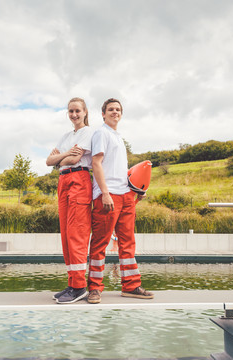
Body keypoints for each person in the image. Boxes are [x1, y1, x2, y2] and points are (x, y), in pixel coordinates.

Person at [87, 98, 154, 304]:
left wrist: (136, 190)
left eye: (118, 109)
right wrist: (105, 193)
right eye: (110, 109)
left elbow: (119, 171)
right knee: (100, 242)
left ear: (121, 114)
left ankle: (131, 286)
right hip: (108, 196)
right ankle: (95, 289)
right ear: (103, 114)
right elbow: (96, 163)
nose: (115, 112)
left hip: (126, 195)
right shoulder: (101, 133)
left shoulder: (118, 137)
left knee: (128, 243)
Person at [46, 97, 93, 304]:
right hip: (63, 181)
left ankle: (80, 287)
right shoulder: (66, 136)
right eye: (71, 111)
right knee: (65, 233)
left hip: (79, 178)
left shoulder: (89, 132)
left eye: (77, 111)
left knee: (77, 232)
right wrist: (64, 155)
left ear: (85, 112)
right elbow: (49, 161)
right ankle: (72, 282)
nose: (74, 115)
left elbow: (74, 160)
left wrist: (60, 160)